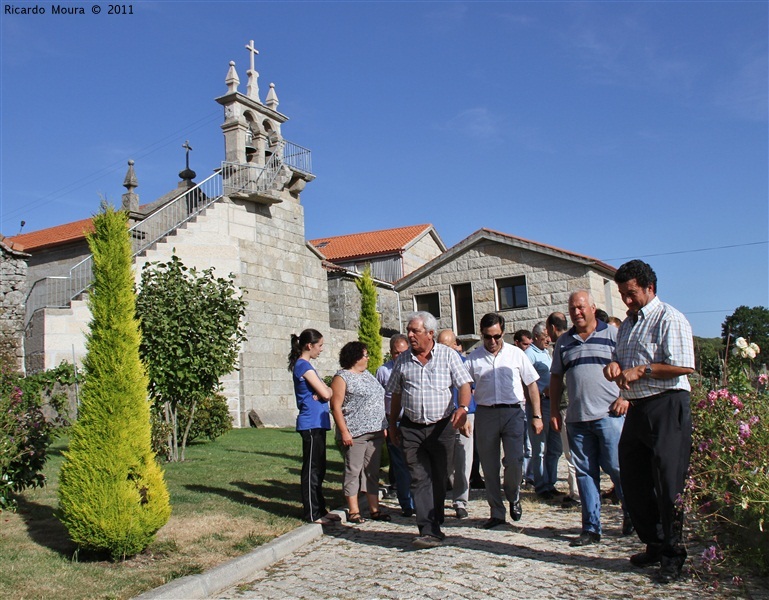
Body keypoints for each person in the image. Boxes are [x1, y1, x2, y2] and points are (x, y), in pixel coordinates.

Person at [603, 260, 695, 584]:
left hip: (668, 405)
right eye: (622, 295)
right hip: (638, 407)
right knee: (633, 478)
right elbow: (620, 363)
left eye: (631, 294)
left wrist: (643, 370)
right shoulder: (627, 325)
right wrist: (613, 368)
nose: (626, 301)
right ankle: (654, 543)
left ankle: (673, 554)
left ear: (649, 288)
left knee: (669, 484)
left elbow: (684, 366)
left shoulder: (669, 318)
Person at [550, 291, 631, 547]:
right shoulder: (563, 342)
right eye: (573, 308)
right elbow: (555, 379)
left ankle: (631, 514)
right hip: (577, 419)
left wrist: (625, 398)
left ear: (593, 308)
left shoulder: (614, 336)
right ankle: (591, 528)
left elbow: (630, 368)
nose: (577, 312)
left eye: (581, 307)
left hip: (610, 416)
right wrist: (553, 410)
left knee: (618, 468)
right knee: (585, 473)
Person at [386, 312, 473, 549]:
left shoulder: (448, 356)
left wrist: (463, 408)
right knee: (419, 477)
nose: (410, 335)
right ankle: (428, 528)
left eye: (415, 331)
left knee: (439, 476)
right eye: (409, 330)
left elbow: (464, 384)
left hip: (442, 427)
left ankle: (435, 519)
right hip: (412, 428)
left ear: (430, 333)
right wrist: (392, 424)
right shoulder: (402, 360)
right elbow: (396, 394)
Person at [466, 313, 543, 529]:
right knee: (489, 467)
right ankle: (496, 513)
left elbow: (532, 385)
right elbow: (464, 386)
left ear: (503, 333)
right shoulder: (473, 358)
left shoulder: (516, 354)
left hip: (513, 413)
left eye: (496, 336)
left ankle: (513, 494)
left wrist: (537, 415)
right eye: (487, 337)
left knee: (515, 461)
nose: (492, 342)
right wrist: (463, 412)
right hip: (486, 413)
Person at [330, 341, 390, 524]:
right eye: (365, 355)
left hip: (376, 432)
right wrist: (344, 432)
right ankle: (354, 510)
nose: (368, 358)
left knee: (372, 472)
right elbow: (336, 406)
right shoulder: (342, 377)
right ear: (355, 357)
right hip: (355, 433)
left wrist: (384, 426)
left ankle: (374, 509)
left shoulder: (368, 375)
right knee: (353, 470)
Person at [288, 329, 338, 525]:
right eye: (320, 346)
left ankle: (320, 509)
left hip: (318, 422)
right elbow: (326, 394)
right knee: (312, 469)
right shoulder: (303, 365)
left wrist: (326, 389)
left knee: (320, 468)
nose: (321, 350)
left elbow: (325, 391)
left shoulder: (308, 366)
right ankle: (312, 513)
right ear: (309, 345)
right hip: (310, 423)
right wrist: (326, 390)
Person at [437, 329, 475, 519]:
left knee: (463, 459)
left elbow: (470, 389)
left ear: (454, 345)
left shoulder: (464, 363)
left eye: (446, 345)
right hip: (442, 417)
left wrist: (465, 412)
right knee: (445, 461)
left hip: (464, 415)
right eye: (440, 344)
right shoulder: (433, 362)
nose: (443, 348)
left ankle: (460, 501)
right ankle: (439, 500)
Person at [375, 334, 415, 517]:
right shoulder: (383, 371)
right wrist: (385, 424)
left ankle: (420, 500)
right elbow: (379, 400)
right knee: (400, 465)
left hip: (413, 421)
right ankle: (407, 503)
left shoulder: (414, 367)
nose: (398, 356)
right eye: (395, 353)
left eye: (402, 352)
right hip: (394, 421)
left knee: (415, 464)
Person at [525, 322, 563, 500]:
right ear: (537, 336)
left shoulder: (546, 353)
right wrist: (540, 392)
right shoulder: (529, 355)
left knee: (555, 447)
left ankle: (551, 482)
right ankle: (540, 485)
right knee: (539, 448)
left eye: (548, 336)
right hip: (539, 404)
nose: (548, 339)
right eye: (545, 337)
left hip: (552, 403)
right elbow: (525, 382)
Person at [545, 311, 580, 508]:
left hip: (567, 404)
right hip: (577, 403)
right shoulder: (571, 340)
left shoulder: (563, 344)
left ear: (551, 327)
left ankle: (576, 494)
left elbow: (562, 378)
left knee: (571, 453)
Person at [514, 328, 534, 484]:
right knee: (519, 444)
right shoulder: (514, 358)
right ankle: (519, 475)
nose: (528, 347)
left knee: (529, 443)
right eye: (525, 344)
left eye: (530, 344)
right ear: (517, 343)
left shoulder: (524, 358)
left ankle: (529, 475)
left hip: (528, 405)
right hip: (518, 406)